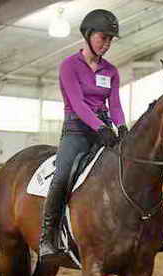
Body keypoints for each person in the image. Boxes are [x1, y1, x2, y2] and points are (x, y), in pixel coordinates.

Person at [39, 9, 128, 262]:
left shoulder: (111, 71)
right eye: (103, 37)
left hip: (104, 130)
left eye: (111, 39)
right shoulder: (69, 66)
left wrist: (121, 127)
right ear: (88, 35)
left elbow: (116, 105)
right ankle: (48, 236)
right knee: (62, 176)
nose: (107, 43)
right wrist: (99, 128)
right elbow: (78, 104)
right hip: (77, 130)